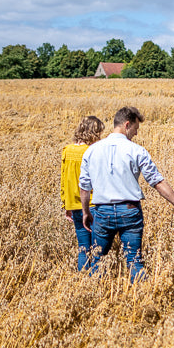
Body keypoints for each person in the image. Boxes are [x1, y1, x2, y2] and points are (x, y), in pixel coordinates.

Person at [79, 106, 174, 283]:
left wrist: (86, 212)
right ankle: (142, 298)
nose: (136, 134)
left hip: (102, 212)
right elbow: (156, 181)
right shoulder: (137, 150)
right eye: (135, 129)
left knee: (97, 262)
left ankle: (93, 297)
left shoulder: (92, 150)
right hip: (130, 211)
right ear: (127, 125)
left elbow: (84, 187)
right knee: (134, 261)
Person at [60, 115, 105, 271]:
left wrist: (66, 204)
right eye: (98, 133)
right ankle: (96, 283)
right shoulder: (92, 151)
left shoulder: (67, 150)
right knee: (98, 248)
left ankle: (81, 283)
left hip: (74, 205)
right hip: (93, 204)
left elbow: (64, 180)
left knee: (83, 248)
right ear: (93, 133)